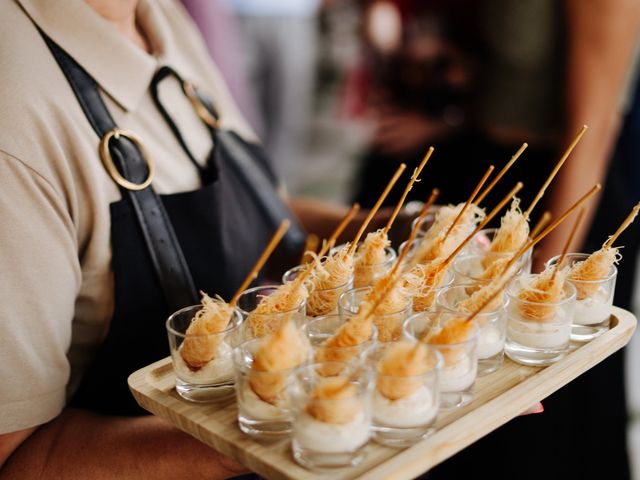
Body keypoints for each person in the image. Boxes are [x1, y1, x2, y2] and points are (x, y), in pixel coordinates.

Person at [0, 0, 383, 478]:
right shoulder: (13, 104)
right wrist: (266, 426)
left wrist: (389, 224)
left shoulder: (158, 15)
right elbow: (15, 459)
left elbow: (264, 210)